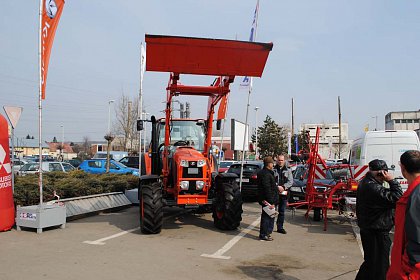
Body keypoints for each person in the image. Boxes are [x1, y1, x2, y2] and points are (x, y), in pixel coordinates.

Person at [355, 159, 403, 280]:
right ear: (375, 172)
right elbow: (397, 198)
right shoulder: (372, 187)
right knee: (380, 265)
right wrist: (392, 181)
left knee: (372, 263)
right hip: (376, 230)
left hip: (373, 228)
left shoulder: (368, 183)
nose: (383, 176)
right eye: (381, 173)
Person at [387, 150, 420, 279]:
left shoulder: (414, 196)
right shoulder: (413, 194)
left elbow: (416, 239)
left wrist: (409, 273)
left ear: (402, 168)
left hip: (410, 272)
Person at [257, 156, 279, 241]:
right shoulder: (266, 174)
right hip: (267, 200)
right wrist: (271, 201)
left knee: (270, 216)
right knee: (267, 218)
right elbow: (267, 188)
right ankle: (264, 234)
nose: (273, 165)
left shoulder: (267, 173)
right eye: (272, 163)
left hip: (268, 199)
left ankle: (267, 233)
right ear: (268, 164)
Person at [274, 154, 293, 234]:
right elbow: (271, 180)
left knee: (282, 211)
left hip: (284, 194)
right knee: (272, 211)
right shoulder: (273, 169)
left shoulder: (288, 170)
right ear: (277, 160)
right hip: (275, 193)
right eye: (279, 160)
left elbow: (290, 181)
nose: (280, 162)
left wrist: (284, 187)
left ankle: (280, 227)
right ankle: (269, 227)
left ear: (284, 161)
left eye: (282, 160)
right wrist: (277, 187)